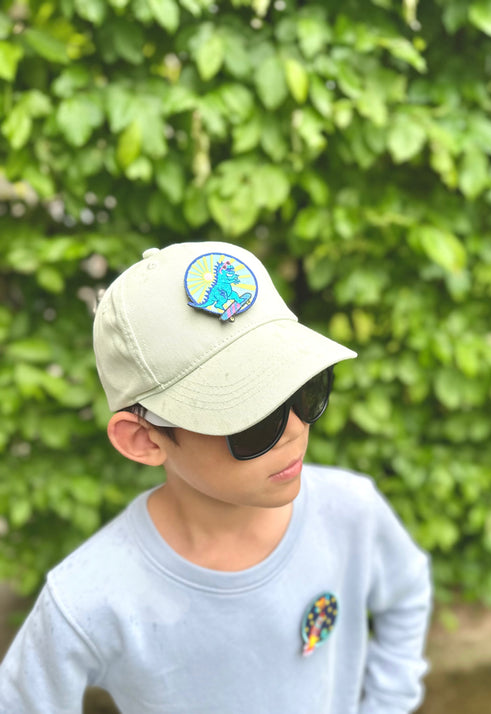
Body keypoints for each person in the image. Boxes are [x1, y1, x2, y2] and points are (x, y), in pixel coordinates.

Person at [0, 241, 432, 713]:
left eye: (304, 389)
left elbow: (407, 590)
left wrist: (387, 704)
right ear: (144, 439)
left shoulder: (351, 512)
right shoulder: (89, 598)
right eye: (252, 420)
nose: (295, 428)